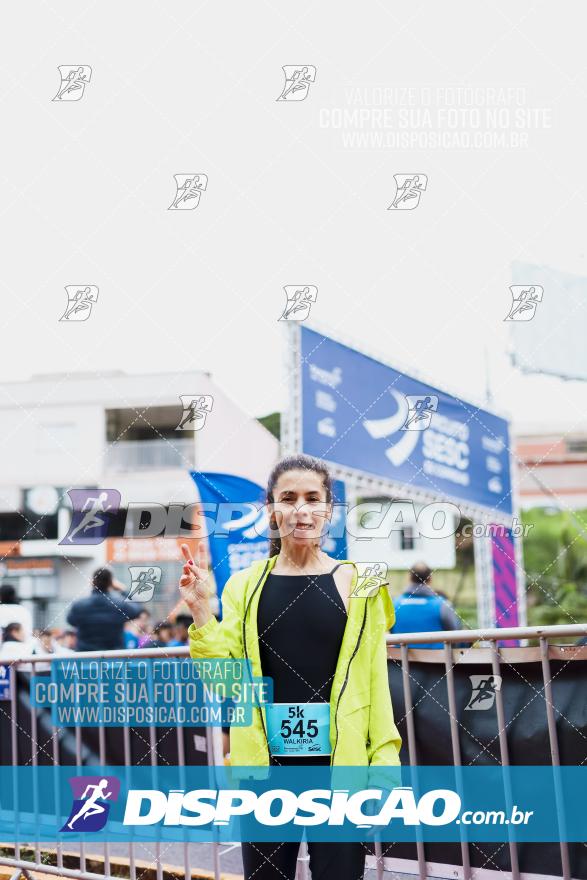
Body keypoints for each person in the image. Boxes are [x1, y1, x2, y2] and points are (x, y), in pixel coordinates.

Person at [181, 453, 402, 880]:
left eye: (312, 498)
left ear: (329, 509)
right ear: (270, 510)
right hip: (264, 769)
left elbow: (376, 683)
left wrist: (384, 767)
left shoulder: (363, 584)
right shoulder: (244, 585)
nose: (301, 509)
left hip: (342, 767)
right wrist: (201, 612)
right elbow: (224, 680)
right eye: (288, 498)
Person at [390, 562, 468, 649]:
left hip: (402, 661)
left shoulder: (393, 605)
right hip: (440, 661)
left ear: (409, 578)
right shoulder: (443, 605)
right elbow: (457, 637)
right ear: (430, 578)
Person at [66, 568, 143, 653]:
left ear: (92, 582)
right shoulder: (119, 605)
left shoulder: (79, 605)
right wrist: (123, 589)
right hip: (113, 659)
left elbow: (70, 621)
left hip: (86, 658)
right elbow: (138, 609)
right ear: (111, 583)